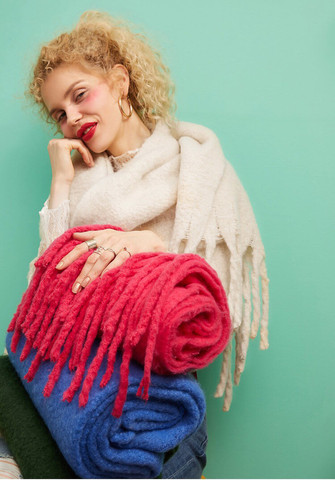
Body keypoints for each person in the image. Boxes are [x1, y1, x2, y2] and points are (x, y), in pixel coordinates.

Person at [1, 9, 269, 479]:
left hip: (153, 405)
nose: (72, 118)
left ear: (120, 81)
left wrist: (152, 247)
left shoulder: (197, 171)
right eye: (59, 114)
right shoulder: (83, 184)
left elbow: (214, 303)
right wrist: (61, 186)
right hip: (75, 386)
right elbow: (45, 298)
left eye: (80, 95)